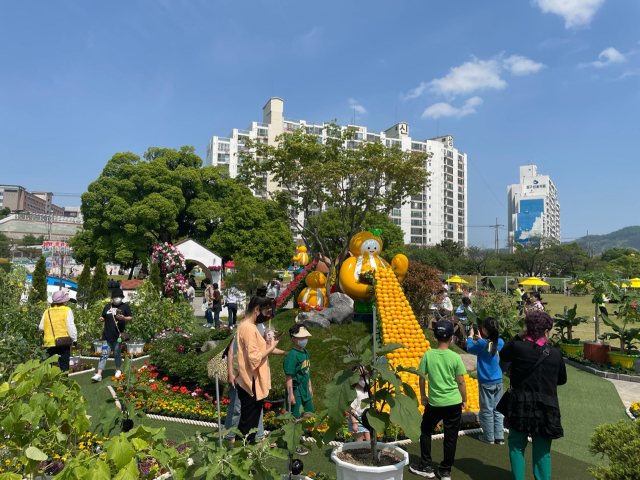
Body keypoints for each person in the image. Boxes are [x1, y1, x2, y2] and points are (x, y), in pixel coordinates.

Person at [499, 310, 567, 480]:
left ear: (527, 329)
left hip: (520, 403)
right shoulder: (555, 354)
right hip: (547, 406)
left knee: (516, 445)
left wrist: (517, 336)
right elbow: (562, 379)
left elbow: (504, 355)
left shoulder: (518, 347)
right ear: (546, 332)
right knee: (543, 451)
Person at [410, 320, 467, 480]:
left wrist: (422, 395)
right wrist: (464, 399)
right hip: (454, 402)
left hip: (434, 403)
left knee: (426, 430)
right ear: (451, 337)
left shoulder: (428, 355)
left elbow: (422, 377)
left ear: (434, 336)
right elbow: (461, 381)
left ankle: (426, 466)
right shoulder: (455, 357)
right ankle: (445, 470)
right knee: (451, 436)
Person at [235, 295, 281, 443]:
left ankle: (243, 455)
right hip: (251, 382)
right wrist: (271, 347)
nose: (266, 316)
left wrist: (268, 343)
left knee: (250, 423)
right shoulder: (248, 328)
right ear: (256, 309)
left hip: (249, 379)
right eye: (266, 312)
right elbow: (254, 358)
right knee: (248, 425)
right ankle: (241, 457)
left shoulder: (246, 325)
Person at [467, 318, 505, 445]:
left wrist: (470, 337)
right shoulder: (500, 342)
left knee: (487, 409)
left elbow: (470, 348)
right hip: (498, 380)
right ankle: (499, 436)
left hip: (486, 381)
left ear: (484, 330)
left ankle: (489, 437)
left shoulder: (482, 343)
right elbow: (490, 345)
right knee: (497, 408)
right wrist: (480, 339)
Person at [91, 288, 133, 382]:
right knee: (104, 354)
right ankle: (99, 373)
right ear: (112, 298)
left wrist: (124, 318)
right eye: (115, 296)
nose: (117, 298)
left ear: (122, 297)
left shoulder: (125, 307)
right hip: (107, 335)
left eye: (119, 296)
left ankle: (118, 369)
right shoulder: (107, 307)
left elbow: (130, 318)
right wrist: (101, 319)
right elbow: (104, 316)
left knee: (117, 353)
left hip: (117, 336)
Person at [39, 290, 77, 372]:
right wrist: (74, 340)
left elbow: (41, 327)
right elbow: (70, 326)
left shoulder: (47, 311)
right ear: (63, 301)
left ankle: (49, 383)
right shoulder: (67, 310)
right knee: (64, 366)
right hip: (63, 342)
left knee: (48, 367)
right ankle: (64, 382)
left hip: (48, 342)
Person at [349, 369, 371, 443]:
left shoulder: (366, 391)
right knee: (359, 441)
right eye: (363, 376)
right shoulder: (354, 392)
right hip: (357, 419)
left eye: (367, 376)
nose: (366, 378)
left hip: (366, 418)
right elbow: (352, 410)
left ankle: (369, 452)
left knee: (369, 440)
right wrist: (354, 424)